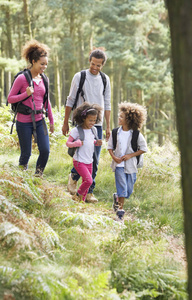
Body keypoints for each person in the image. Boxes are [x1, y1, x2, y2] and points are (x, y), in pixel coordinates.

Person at [62, 47, 111, 203]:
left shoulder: (105, 79)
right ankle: (74, 176)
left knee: (94, 158)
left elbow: (107, 103)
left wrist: (108, 126)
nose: (95, 68)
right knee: (79, 155)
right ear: (89, 60)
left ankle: (88, 191)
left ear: (102, 65)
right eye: (93, 64)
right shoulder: (80, 76)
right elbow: (70, 100)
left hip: (97, 124)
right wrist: (65, 123)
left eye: (99, 65)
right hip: (81, 122)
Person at [7, 39, 54, 176]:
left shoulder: (44, 79)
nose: (44, 67)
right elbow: (10, 98)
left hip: (40, 120)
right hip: (23, 122)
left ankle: (37, 176)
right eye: (42, 64)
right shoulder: (22, 78)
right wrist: (25, 94)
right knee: (26, 153)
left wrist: (51, 121)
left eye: (46, 64)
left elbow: (47, 102)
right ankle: (22, 180)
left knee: (45, 150)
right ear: (33, 61)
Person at [108, 102, 148, 222]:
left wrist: (130, 155)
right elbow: (110, 147)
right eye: (119, 116)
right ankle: (120, 213)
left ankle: (117, 198)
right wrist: (114, 157)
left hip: (131, 166)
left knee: (128, 191)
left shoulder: (136, 134)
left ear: (129, 120)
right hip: (119, 165)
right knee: (123, 189)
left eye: (121, 117)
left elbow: (143, 149)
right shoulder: (115, 132)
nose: (118, 118)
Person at [66, 102, 103, 203]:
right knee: (89, 181)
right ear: (83, 118)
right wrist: (76, 143)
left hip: (89, 161)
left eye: (94, 120)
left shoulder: (94, 130)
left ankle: (81, 201)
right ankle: (77, 196)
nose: (92, 122)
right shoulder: (76, 131)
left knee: (86, 182)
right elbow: (68, 143)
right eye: (90, 120)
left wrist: (96, 143)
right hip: (79, 161)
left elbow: (90, 142)